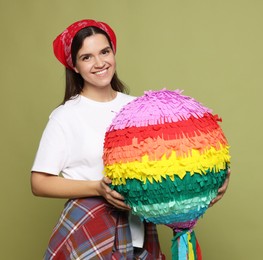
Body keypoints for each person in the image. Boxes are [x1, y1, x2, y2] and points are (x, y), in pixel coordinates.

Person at [31, 19, 230, 260]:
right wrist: (97, 188)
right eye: (87, 57)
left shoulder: (138, 108)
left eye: (105, 52)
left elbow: (165, 167)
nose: (99, 63)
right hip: (91, 225)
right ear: (74, 65)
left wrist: (206, 186)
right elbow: (39, 182)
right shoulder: (65, 116)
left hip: (139, 229)